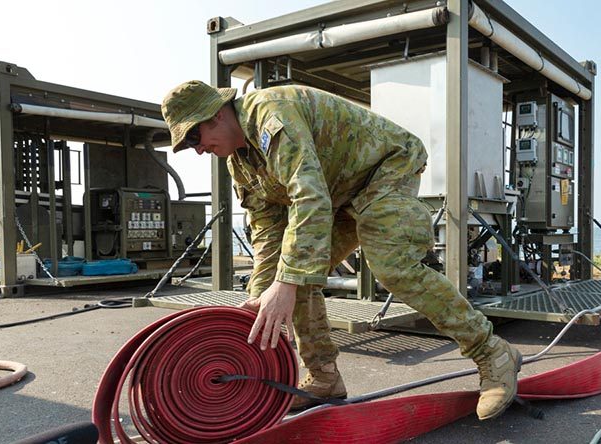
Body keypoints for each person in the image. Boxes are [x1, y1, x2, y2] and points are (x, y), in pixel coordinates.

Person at [161, 80, 521, 420]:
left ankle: (491, 352)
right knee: (291, 279)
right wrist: (260, 303)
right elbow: (269, 234)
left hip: (383, 168)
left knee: (392, 267)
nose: (197, 149)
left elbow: (309, 195)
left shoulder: (269, 114)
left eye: (195, 135)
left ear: (218, 113)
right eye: (188, 144)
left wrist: (285, 283)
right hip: (337, 193)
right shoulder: (239, 162)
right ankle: (324, 378)